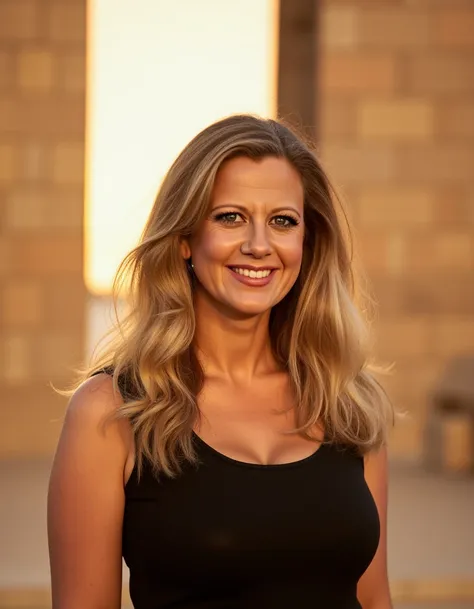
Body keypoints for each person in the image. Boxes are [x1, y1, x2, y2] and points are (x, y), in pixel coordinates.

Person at [48, 114, 394, 609]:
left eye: (282, 221)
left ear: (307, 241)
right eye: (230, 217)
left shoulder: (347, 402)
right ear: (186, 238)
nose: (258, 244)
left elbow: (374, 598)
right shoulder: (111, 413)